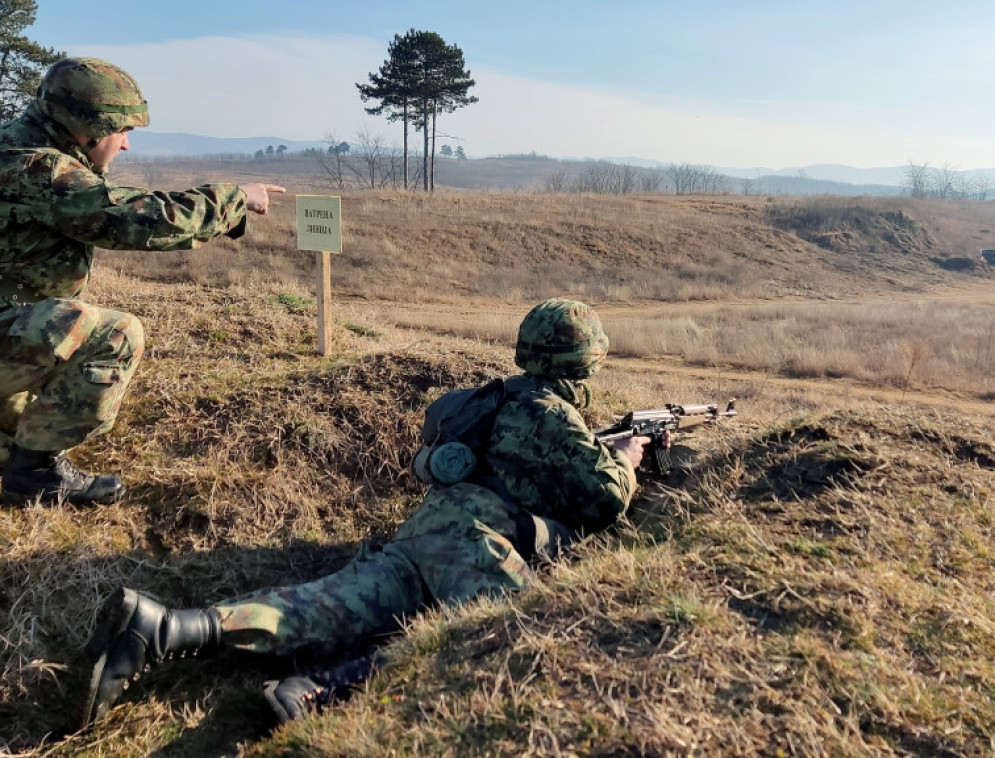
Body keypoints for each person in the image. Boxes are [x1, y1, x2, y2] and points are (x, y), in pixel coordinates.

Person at [81, 298, 654, 726]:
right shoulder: (552, 413)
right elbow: (603, 501)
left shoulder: (498, 396)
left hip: (425, 531)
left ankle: (168, 628)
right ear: (586, 363)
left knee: (322, 606)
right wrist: (626, 459)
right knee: (498, 636)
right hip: (474, 542)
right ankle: (318, 689)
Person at [0, 57, 286, 506]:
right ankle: (34, 474)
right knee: (113, 334)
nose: (127, 146)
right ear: (87, 127)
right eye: (123, 131)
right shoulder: (41, 171)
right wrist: (234, 197)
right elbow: (144, 220)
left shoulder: (13, 145)